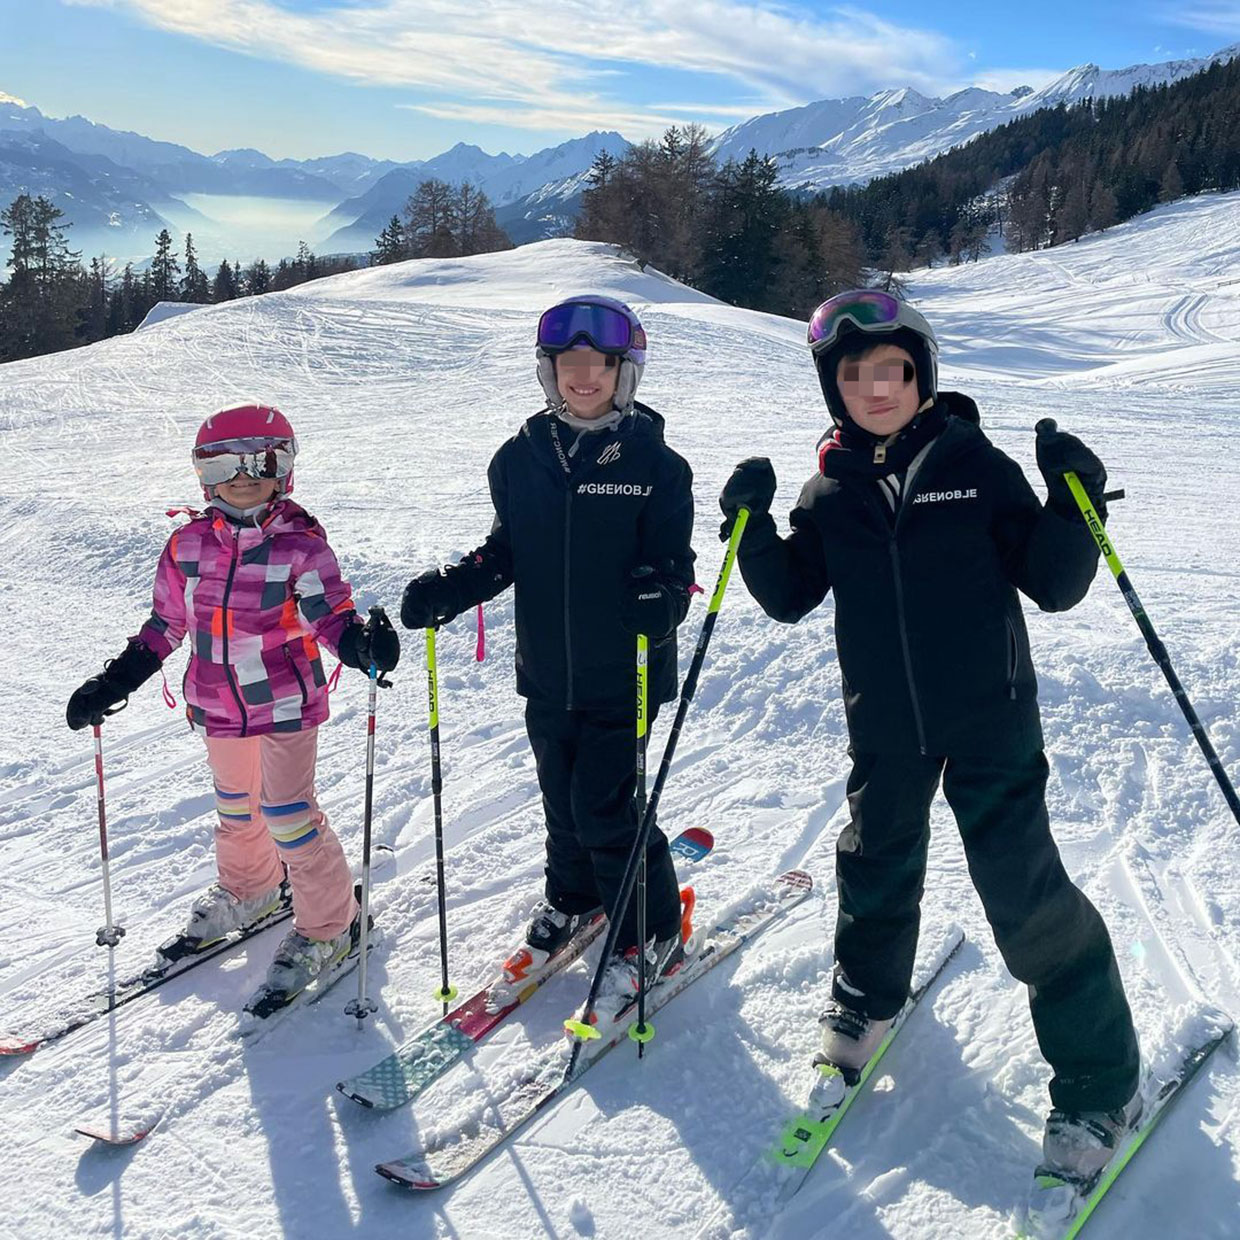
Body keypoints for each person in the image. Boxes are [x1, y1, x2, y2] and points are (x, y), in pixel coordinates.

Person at [718, 289, 1141, 1181]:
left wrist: (1077, 502)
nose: (877, 388)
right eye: (856, 373)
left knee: (1025, 895)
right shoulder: (829, 488)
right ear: (834, 387)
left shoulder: (977, 463)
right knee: (873, 864)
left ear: (923, 375)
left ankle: (1101, 1083)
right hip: (886, 723)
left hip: (990, 717)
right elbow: (792, 594)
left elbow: (1055, 584)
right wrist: (752, 529)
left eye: (894, 371)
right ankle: (864, 1004)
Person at [399, 295, 696, 1025]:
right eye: (569, 365)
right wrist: (455, 587)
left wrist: (662, 601)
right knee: (563, 803)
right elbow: (506, 552)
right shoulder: (521, 458)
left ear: (625, 373)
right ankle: (573, 898)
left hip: (623, 673)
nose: (583, 378)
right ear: (549, 371)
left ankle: (652, 931)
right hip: (546, 670)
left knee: (606, 808)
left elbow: (676, 567)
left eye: (598, 365)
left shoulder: (657, 465)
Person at [66, 404, 400, 1004]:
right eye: (224, 462)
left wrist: (359, 644)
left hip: (285, 703)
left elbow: (330, 614)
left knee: (289, 814)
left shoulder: (301, 545)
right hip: (218, 704)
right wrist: (114, 681)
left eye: (261, 462)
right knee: (237, 808)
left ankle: (332, 923)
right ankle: (251, 888)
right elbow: (166, 625)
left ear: (284, 470)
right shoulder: (187, 545)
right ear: (203, 474)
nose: (243, 476)